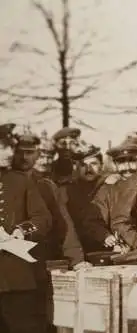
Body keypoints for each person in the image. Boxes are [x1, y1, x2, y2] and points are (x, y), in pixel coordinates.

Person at [0, 123, 51, 333]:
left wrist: (21, 231)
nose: (10, 153)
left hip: (16, 279)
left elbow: (43, 218)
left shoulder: (20, 181)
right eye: (3, 147)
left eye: (11, 147)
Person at [12, 130, 87, 269]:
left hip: (37, 258)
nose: (23, 157)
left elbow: (64, 223)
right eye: (20, 152)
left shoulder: (47, 186)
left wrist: (76, 259)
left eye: (29, 152)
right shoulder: (6, 182)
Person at [65, 144, 115, 254]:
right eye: (83, 165)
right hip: (77, 250)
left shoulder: (111, 186)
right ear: (76, 167)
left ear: (101, 166)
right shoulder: (68, 191)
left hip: (109, 246)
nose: (89, 169)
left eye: (93, 164)